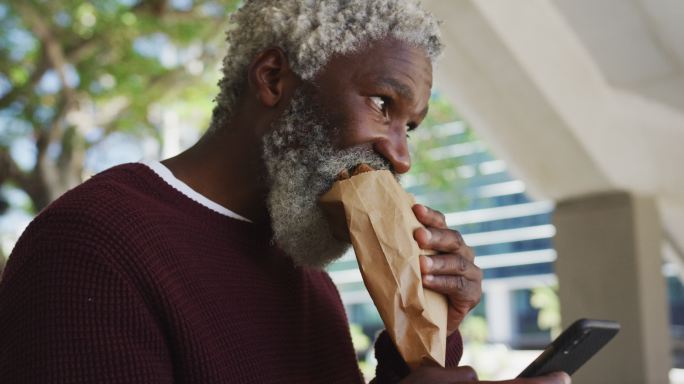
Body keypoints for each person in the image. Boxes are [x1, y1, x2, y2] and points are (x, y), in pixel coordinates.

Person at [0, 1, 570, 383]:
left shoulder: (302, 269)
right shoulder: (90, 245)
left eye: (410, 126)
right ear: (273, 78)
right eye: (382, 104)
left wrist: (424, 334)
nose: (401, 155)